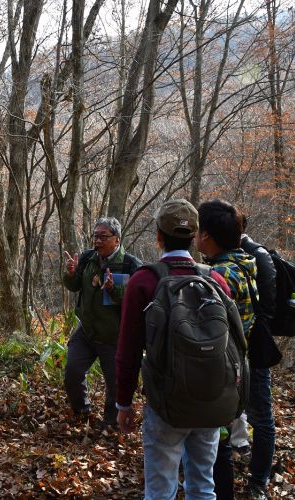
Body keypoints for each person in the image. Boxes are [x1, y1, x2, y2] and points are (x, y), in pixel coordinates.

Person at [116, 199, 231, 500]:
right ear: (195, 237)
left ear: (158, 236)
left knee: (159, 490)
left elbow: (128, 349)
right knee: (204, 486)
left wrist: (123, 403)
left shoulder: (144, 280)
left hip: (166, 401)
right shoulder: (216, 280)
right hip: (210, 400)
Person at [195, 199, 258, 500]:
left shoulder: (221, 275)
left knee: (218, 445)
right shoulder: (244, 264)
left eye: (197, 229)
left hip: (223, 369)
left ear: (206, 235)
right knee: (219, 441)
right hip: (238, 365)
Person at [62, 217, 142, 429]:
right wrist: (70, 274)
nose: (97, 241)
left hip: (114, 336)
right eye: (95, 236)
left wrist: (114, 289)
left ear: (117, 239)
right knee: (72, 372)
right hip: (86, 330)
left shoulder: (131, 265)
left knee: (115, 384)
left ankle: (111, 423)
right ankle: (82, 411)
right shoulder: (88, 258)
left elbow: (139, 300)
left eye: (103, 237)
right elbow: (74, 285)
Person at [238, 218, 279, 500]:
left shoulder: (257, 256)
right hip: (241, 350)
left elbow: (264, 309)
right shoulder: (253, 255)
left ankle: (259, 481)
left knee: (261, 418)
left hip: (254, 351)